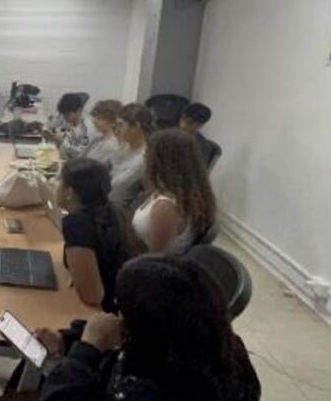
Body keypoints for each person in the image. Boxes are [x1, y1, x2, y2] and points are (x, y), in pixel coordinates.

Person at [0, 256, 260, 401]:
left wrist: (86, 351)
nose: (117, 315)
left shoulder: (154, 398)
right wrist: (68, 339)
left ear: (142, 328)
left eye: (122, 309)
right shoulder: (201, 342)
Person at [56, 158, 140, 311]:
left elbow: (93, 296)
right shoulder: (110, 211)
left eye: (59, 181)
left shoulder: (77, 225)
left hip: (109, 313)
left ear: (69, 193)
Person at [133, 129, 217, 253]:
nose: (144, 156)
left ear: (160, 160)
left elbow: (154, 256)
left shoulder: (166, 207)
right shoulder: (182, 193)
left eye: (148, 152)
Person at [110, 103, 156, 210]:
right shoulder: (121, 147)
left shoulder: (146, 157)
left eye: (121, 125)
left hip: (124, 214)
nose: (117, 130)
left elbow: (148, 196)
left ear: (136, 126)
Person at [43, 93, 92, 160]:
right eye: (63, 114)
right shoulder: (70, 119)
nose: (64, 117)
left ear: (79, 110)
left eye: (67, 114)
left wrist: (62, 141)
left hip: (79, 163)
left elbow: (81, 154)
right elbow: (51, 123)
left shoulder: (86, 128)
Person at [81, 99, 124, 172]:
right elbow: (81, 157)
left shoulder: (111, 145)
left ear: (113, 122)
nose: (94, 121)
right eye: (95, 117)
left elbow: (91, 168)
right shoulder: (98, 138)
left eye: (99, 118)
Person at [180, 102, 223, 171]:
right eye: (183, 119)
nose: (183, 125)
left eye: (189, 123)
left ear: (200, 125)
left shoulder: (204, 147)